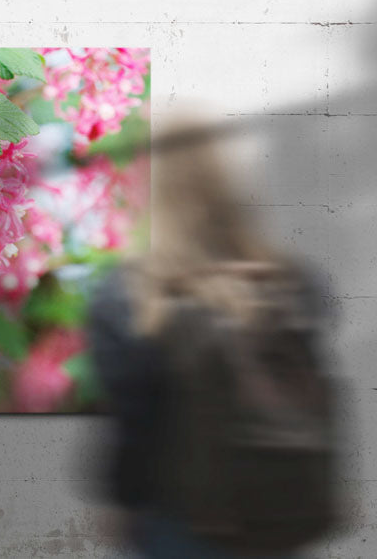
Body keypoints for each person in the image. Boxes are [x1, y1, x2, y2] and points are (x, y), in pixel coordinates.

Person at [86, 115, 340, 558]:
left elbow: (133, 425)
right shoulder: (295, 282)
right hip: (281, 514)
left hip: (183, 522)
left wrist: (122, 501)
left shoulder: (131, 294)